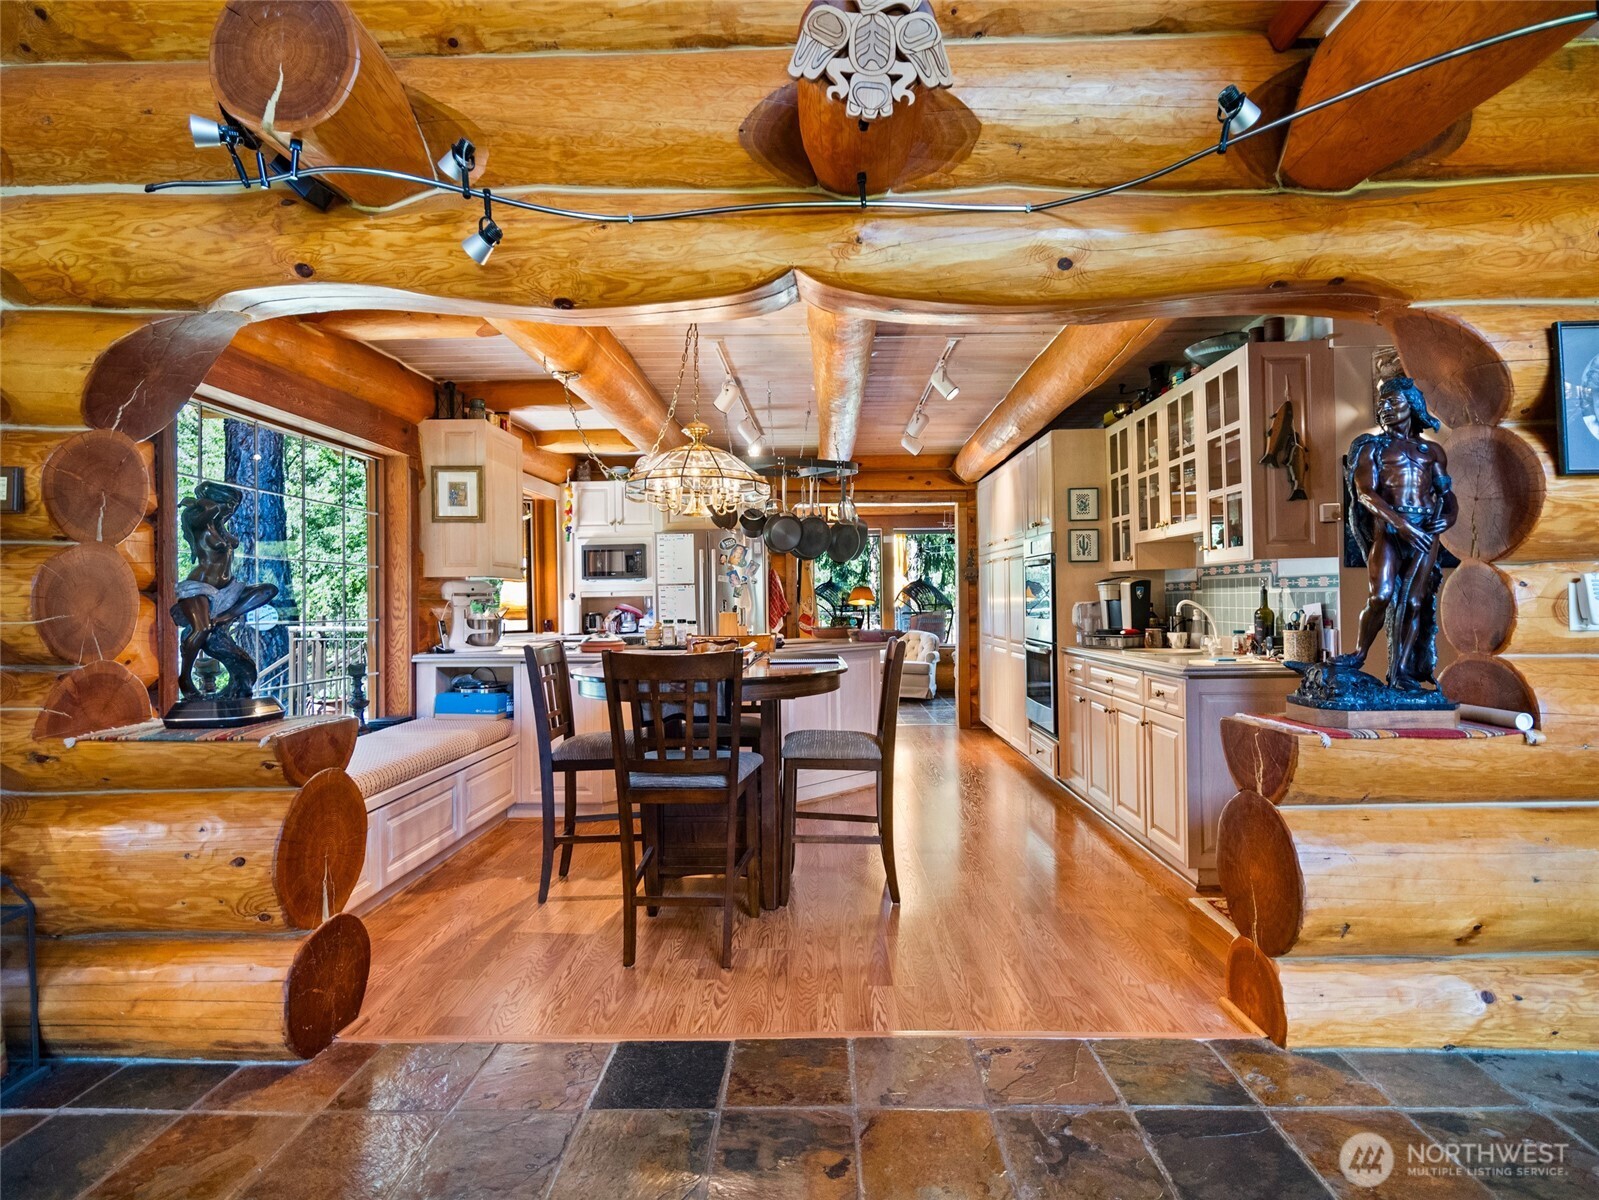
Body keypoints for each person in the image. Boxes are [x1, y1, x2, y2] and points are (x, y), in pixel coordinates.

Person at [1339, 376, 1456, 691]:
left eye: (1393, 402)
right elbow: (1365, 493)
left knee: (1414, 602)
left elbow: (1445, 494)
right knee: (1381, 595)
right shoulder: (1371, 446)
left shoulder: (1431, 451)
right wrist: (1400, 524)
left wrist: (1448, 517)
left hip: (1425, 531)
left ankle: (1401, 671)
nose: (1385, 409)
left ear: (1412, 406)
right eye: (1382, 404)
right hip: (1390, 529)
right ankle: (1359, 653)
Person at [173, 480, 278, 699]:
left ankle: (225, 617)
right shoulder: (200, 520)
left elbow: (219, 517)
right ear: (213, 500)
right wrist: (199, 501)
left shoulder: (220, 526)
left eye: (234, 505)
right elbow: (210, 510)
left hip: (227, 588)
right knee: (201, 631)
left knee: (267, 590)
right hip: (199, 587)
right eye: (227, 503)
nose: (230, 509)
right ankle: (184, 678)